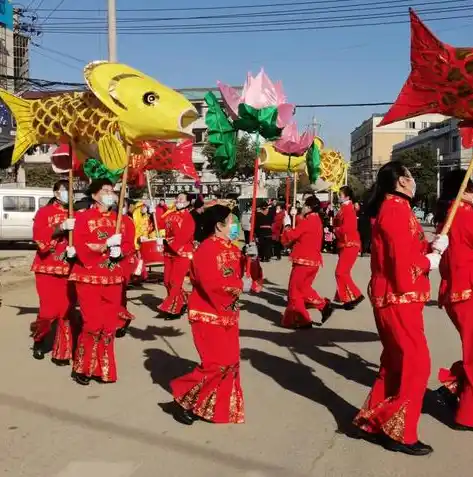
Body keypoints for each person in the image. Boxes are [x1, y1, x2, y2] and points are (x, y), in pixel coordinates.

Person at [353, 161, 446, 456]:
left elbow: (406, 248)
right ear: (402, 181)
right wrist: (428, 262)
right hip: (398, 296)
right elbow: (401, 261)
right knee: (416, 364)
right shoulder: (395, 210)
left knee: (394, 364)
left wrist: (432, 246)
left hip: (396, 296)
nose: (414, 180)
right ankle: (396, 429)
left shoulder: (397, 208)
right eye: (411, 175)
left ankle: (372, 419)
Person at [169, 204, 246, 425]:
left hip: (228, 314)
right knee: (217, 364)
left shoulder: (233, 248)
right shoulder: (207, 249)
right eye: (232, 221)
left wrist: (252, 261)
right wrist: (241, 286)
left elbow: (245, 275)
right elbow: (212, 284)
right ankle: (183, 399)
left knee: (231, 362)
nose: (236, 226)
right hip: (208, 314)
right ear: (219, 226)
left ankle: (213, 407)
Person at [69, 179, 134, 385]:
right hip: (89, 277)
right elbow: (80, 244)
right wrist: (104, 244)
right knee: (92, 324)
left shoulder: (122, 220)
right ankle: (83, 366)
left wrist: (120, 250)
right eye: (105, 191)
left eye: (112, 191)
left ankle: (103, 369)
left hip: (113, 277)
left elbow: (128, 245)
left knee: (108, 326)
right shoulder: (82, 218)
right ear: (95, 195)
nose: (110, 194)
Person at [434, 170, 473, 431]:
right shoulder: (466, 214)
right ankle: (467, 414)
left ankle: (453, 387)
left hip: (456, 292)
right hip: (467, 290)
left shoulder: (448, 216)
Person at [31, 179, 76, 364]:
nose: (67, 193)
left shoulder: (76, 214)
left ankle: (62, 352)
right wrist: (60, 228)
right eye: (64, 190)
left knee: (65, 312)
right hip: (46, 268)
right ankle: (39, 339)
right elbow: (38, 236)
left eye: (70, 190)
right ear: (56, 192)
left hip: (68, 269)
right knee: (47, 312)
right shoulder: (44, 212)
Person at [281, 196, 333, 328]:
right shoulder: (316, 220)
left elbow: (292, 235)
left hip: (304, 261)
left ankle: (302, 319)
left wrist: (286, 225)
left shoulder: (308, 221)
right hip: (313, 261)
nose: (302, 208)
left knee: (294, 291)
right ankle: (322, 306)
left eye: (304, 206)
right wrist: (295, 215)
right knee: (303, 289)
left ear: (309, 208)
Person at [158, 193, 195, 320]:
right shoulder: (171, 214)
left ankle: (175, 309)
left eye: (181, 199)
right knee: (167, 281)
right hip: (169, 252)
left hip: (182, 253)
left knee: (175, 282)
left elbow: (184, 237)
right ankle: (184, 299)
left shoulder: (188, 218)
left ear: (187, 203)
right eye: (177, 198)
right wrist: (154, 212)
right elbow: (160, 224)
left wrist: (167, 241)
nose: (178, 200)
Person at [333, 186, 364, 309]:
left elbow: (348, 228)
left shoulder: (348, 209)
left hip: (349, 243)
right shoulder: (345, 208)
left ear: (347, 196)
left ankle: (356, 295)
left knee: (340, 272)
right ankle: (345, 297)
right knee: (343, 272)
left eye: (340, 195)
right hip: (345, 243)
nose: (338, 197)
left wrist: (336, 229)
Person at [116, 199, 137, 338]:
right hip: (107, 262)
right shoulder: (110, 219)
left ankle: (122, 321)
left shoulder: (128, 221)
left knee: (119, 293)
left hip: (123, 261)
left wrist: (120, 252)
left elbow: (129, 243)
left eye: (123, 205)